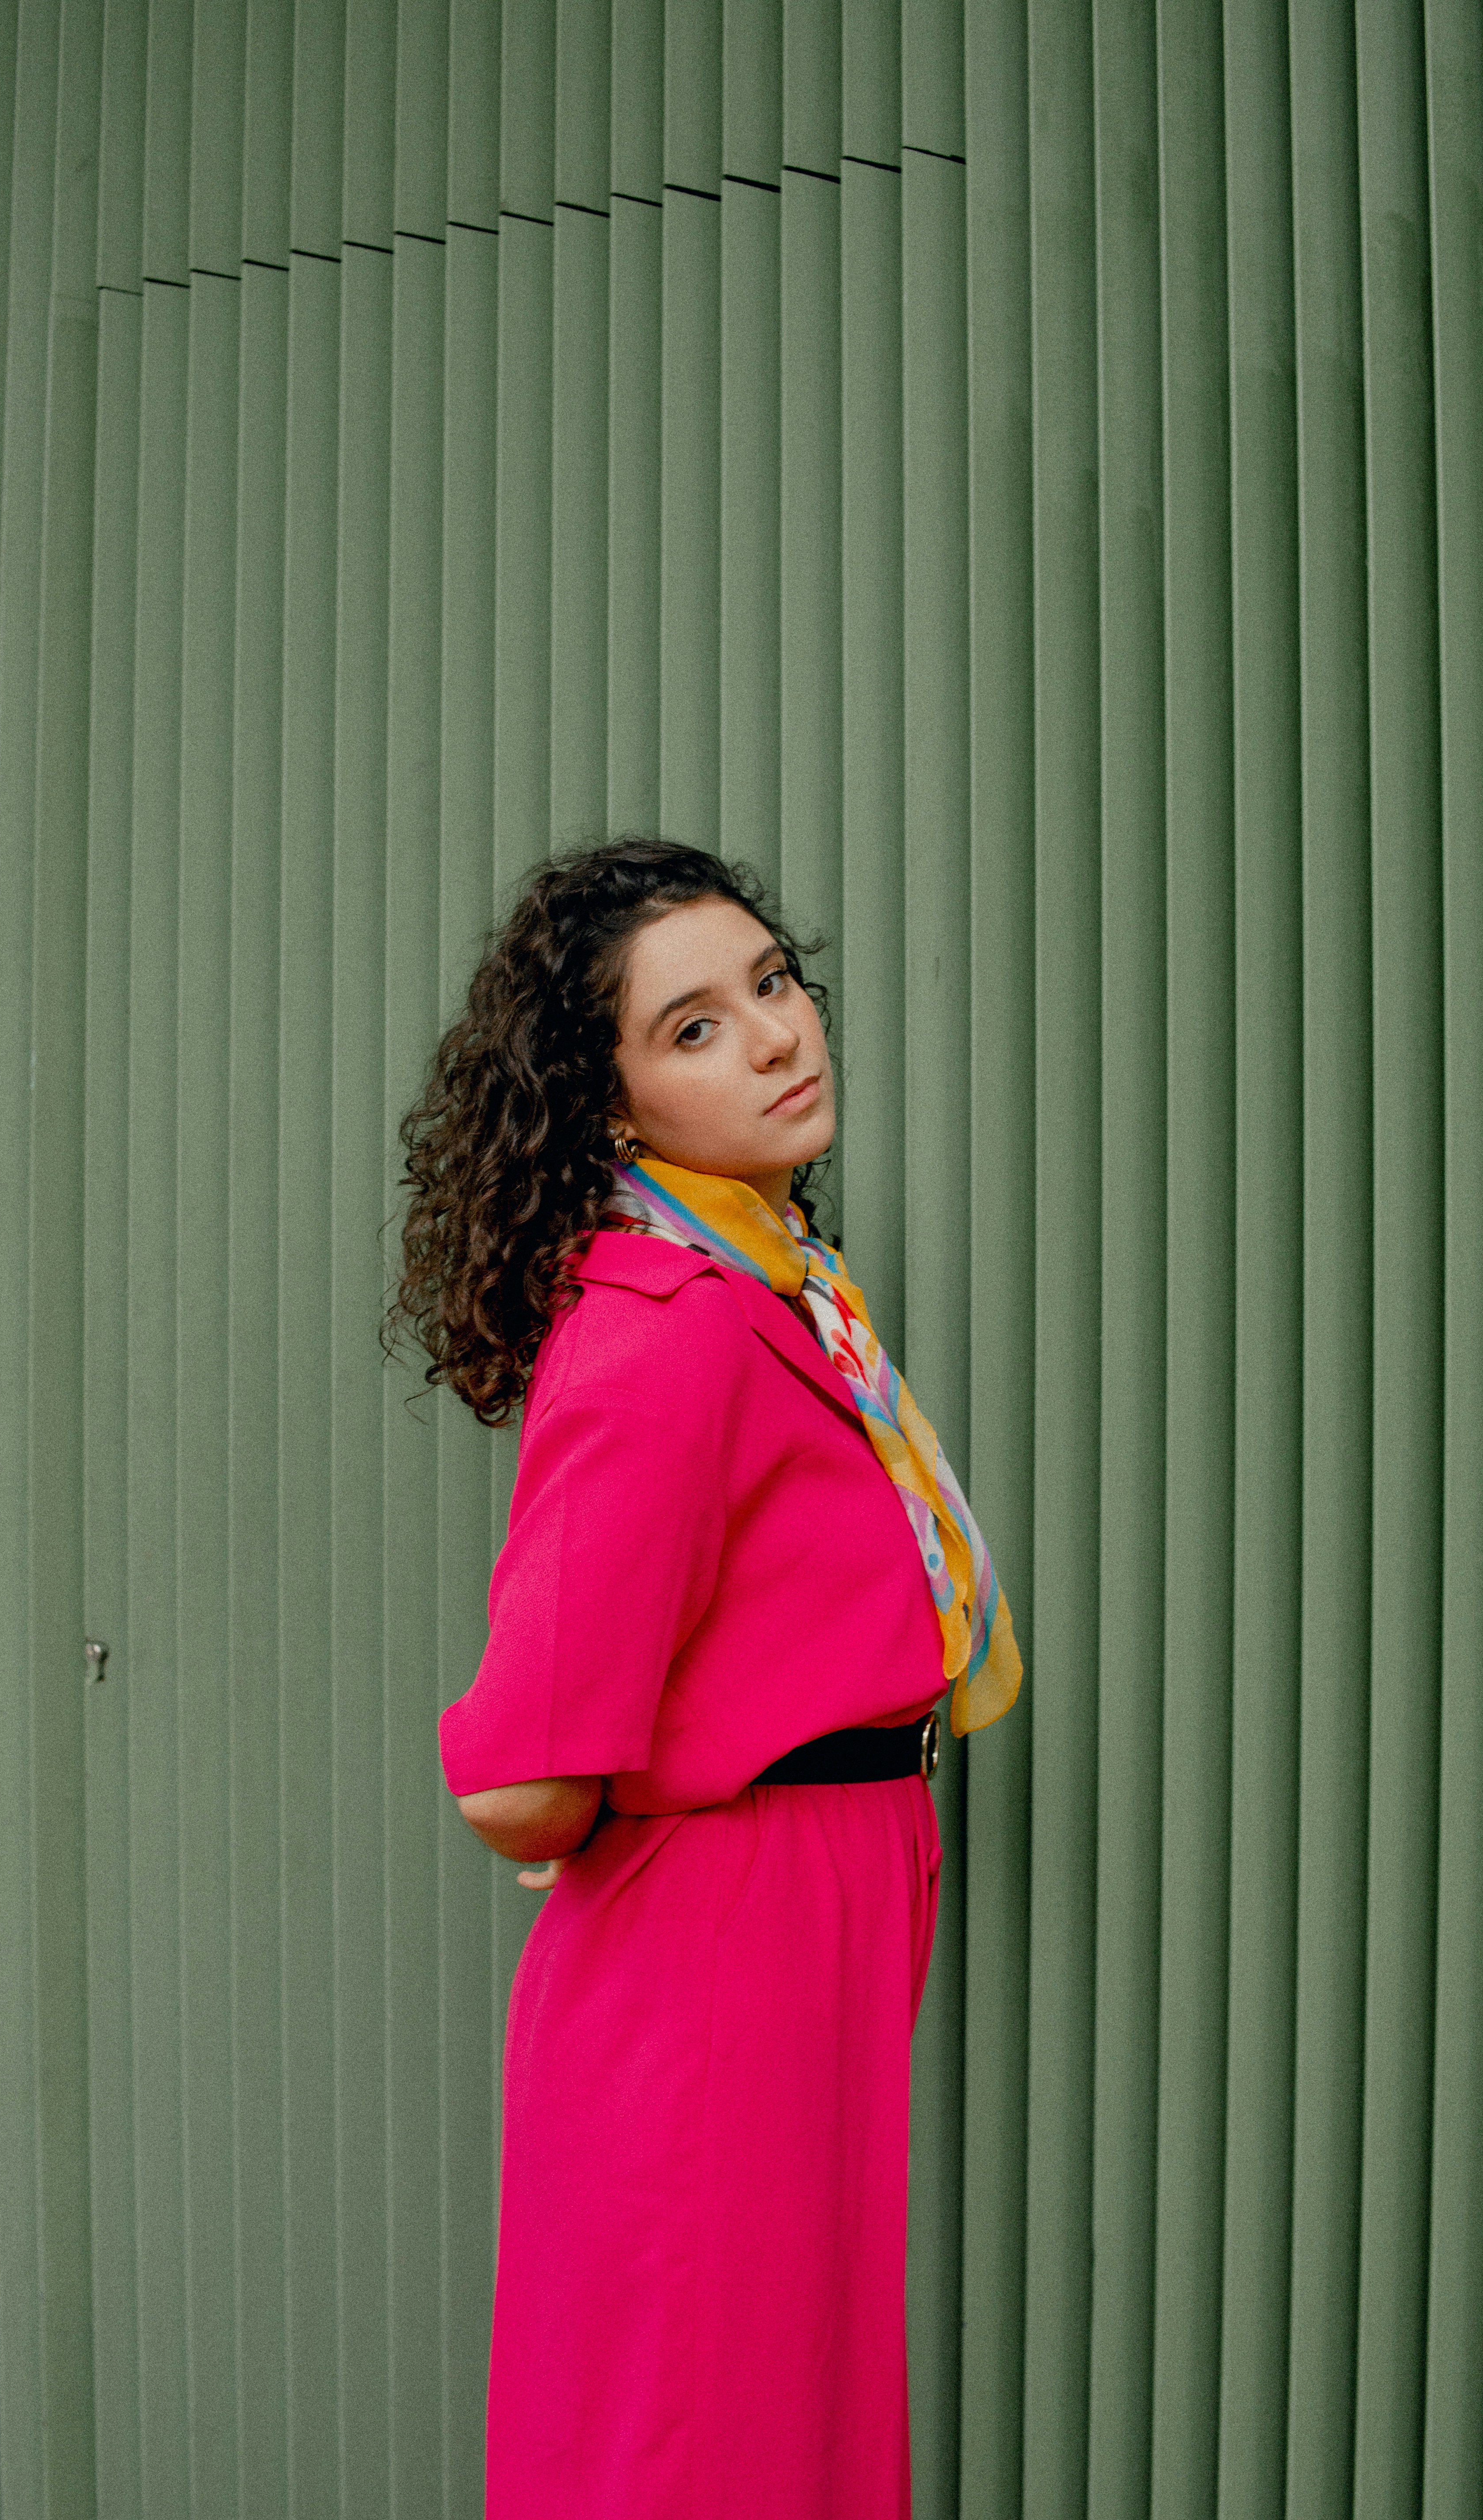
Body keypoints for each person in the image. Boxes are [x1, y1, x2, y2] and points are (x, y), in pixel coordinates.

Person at [386, 838, 1021, 2519]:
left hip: (811, 1899)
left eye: (771, 981)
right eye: (693, 1027)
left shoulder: (775, 1284)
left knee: (781, 2410)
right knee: (698, 2431)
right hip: (721, 1942)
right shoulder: (659, 1330)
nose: (771, 1033)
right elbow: (522, 1771)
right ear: (612, 1110)